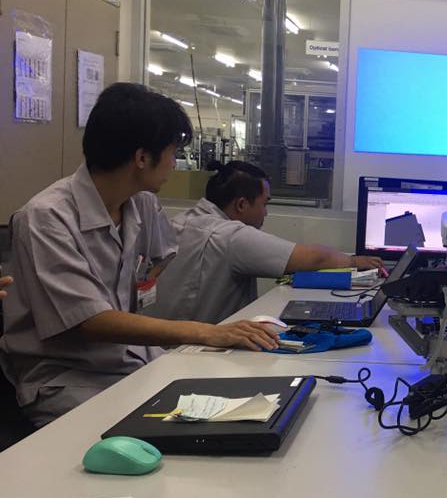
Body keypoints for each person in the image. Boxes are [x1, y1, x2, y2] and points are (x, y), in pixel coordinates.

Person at [0, 83, 279, 427]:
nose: (174, 164)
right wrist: (203, 331)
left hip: (133, 359)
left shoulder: (141, 203)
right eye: (172, 153)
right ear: (142, 158)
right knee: (183, 437)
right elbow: (89, 320)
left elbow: (160, 258)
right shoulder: (46, 218)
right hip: (70, 377)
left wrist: (140, 285)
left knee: (240, 403)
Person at [153, 161, 384, 324]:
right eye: (264, 204)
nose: (266, 213)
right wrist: (355, 261)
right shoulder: (229, 236)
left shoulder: (182, 221)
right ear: (241, 204)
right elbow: (314, 258)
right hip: (200, 349)